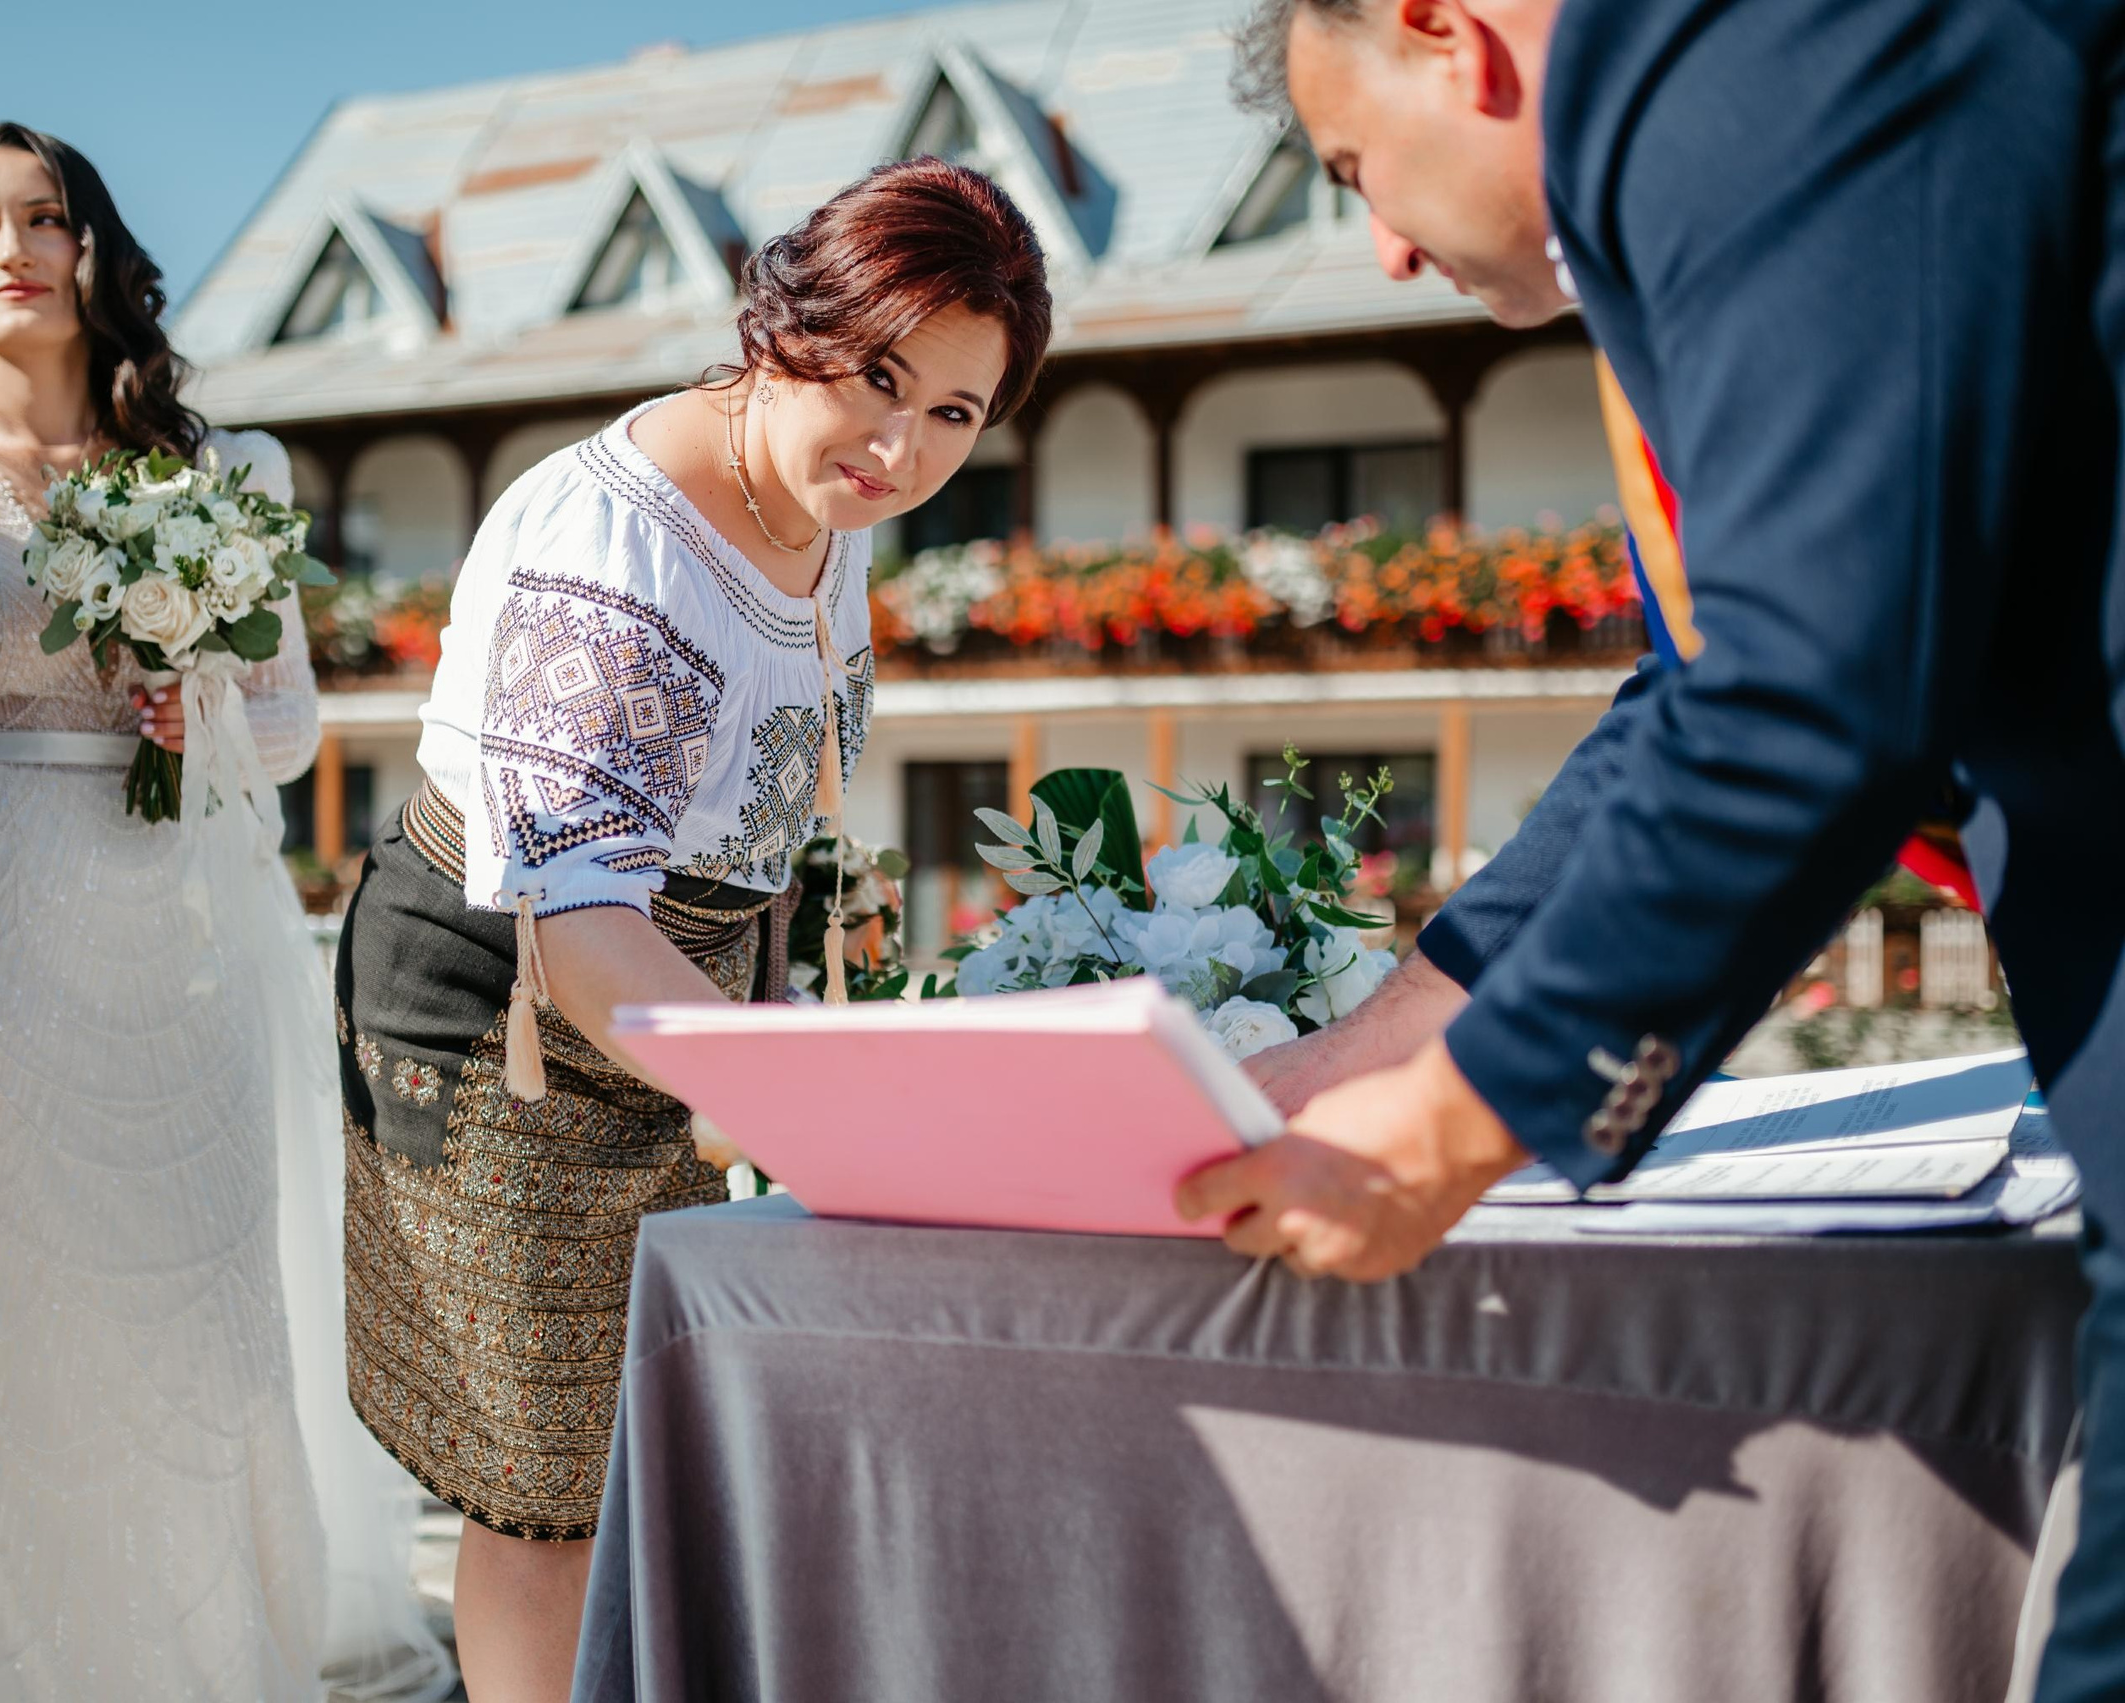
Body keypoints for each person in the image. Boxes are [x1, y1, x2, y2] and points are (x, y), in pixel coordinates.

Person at [1185, 0, 2125, 1695]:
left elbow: (1810, 692)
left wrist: (1456, 1130)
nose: (1384, 249)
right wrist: (1381, 1051)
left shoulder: (1740, 52)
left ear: (1446, 35)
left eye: (1354, 168)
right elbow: (1701, 689)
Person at [334, 155, 1052, 1703]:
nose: (903, 448)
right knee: (548, 1483)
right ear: (787, 326)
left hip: (700, 989)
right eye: (877, 377)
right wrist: (800, 1107)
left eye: (954, 411)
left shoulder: (833, 498)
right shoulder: (615, 546)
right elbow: (579, 913)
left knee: (670, 1444)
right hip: (508, 1001)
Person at [0, 124, 453, 1702]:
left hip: (180, 936)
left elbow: (292, 727)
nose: (12, 250)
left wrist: (192, 703)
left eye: (43, 217)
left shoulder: (225, 469)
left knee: (190, 1303)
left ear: (92, 245)